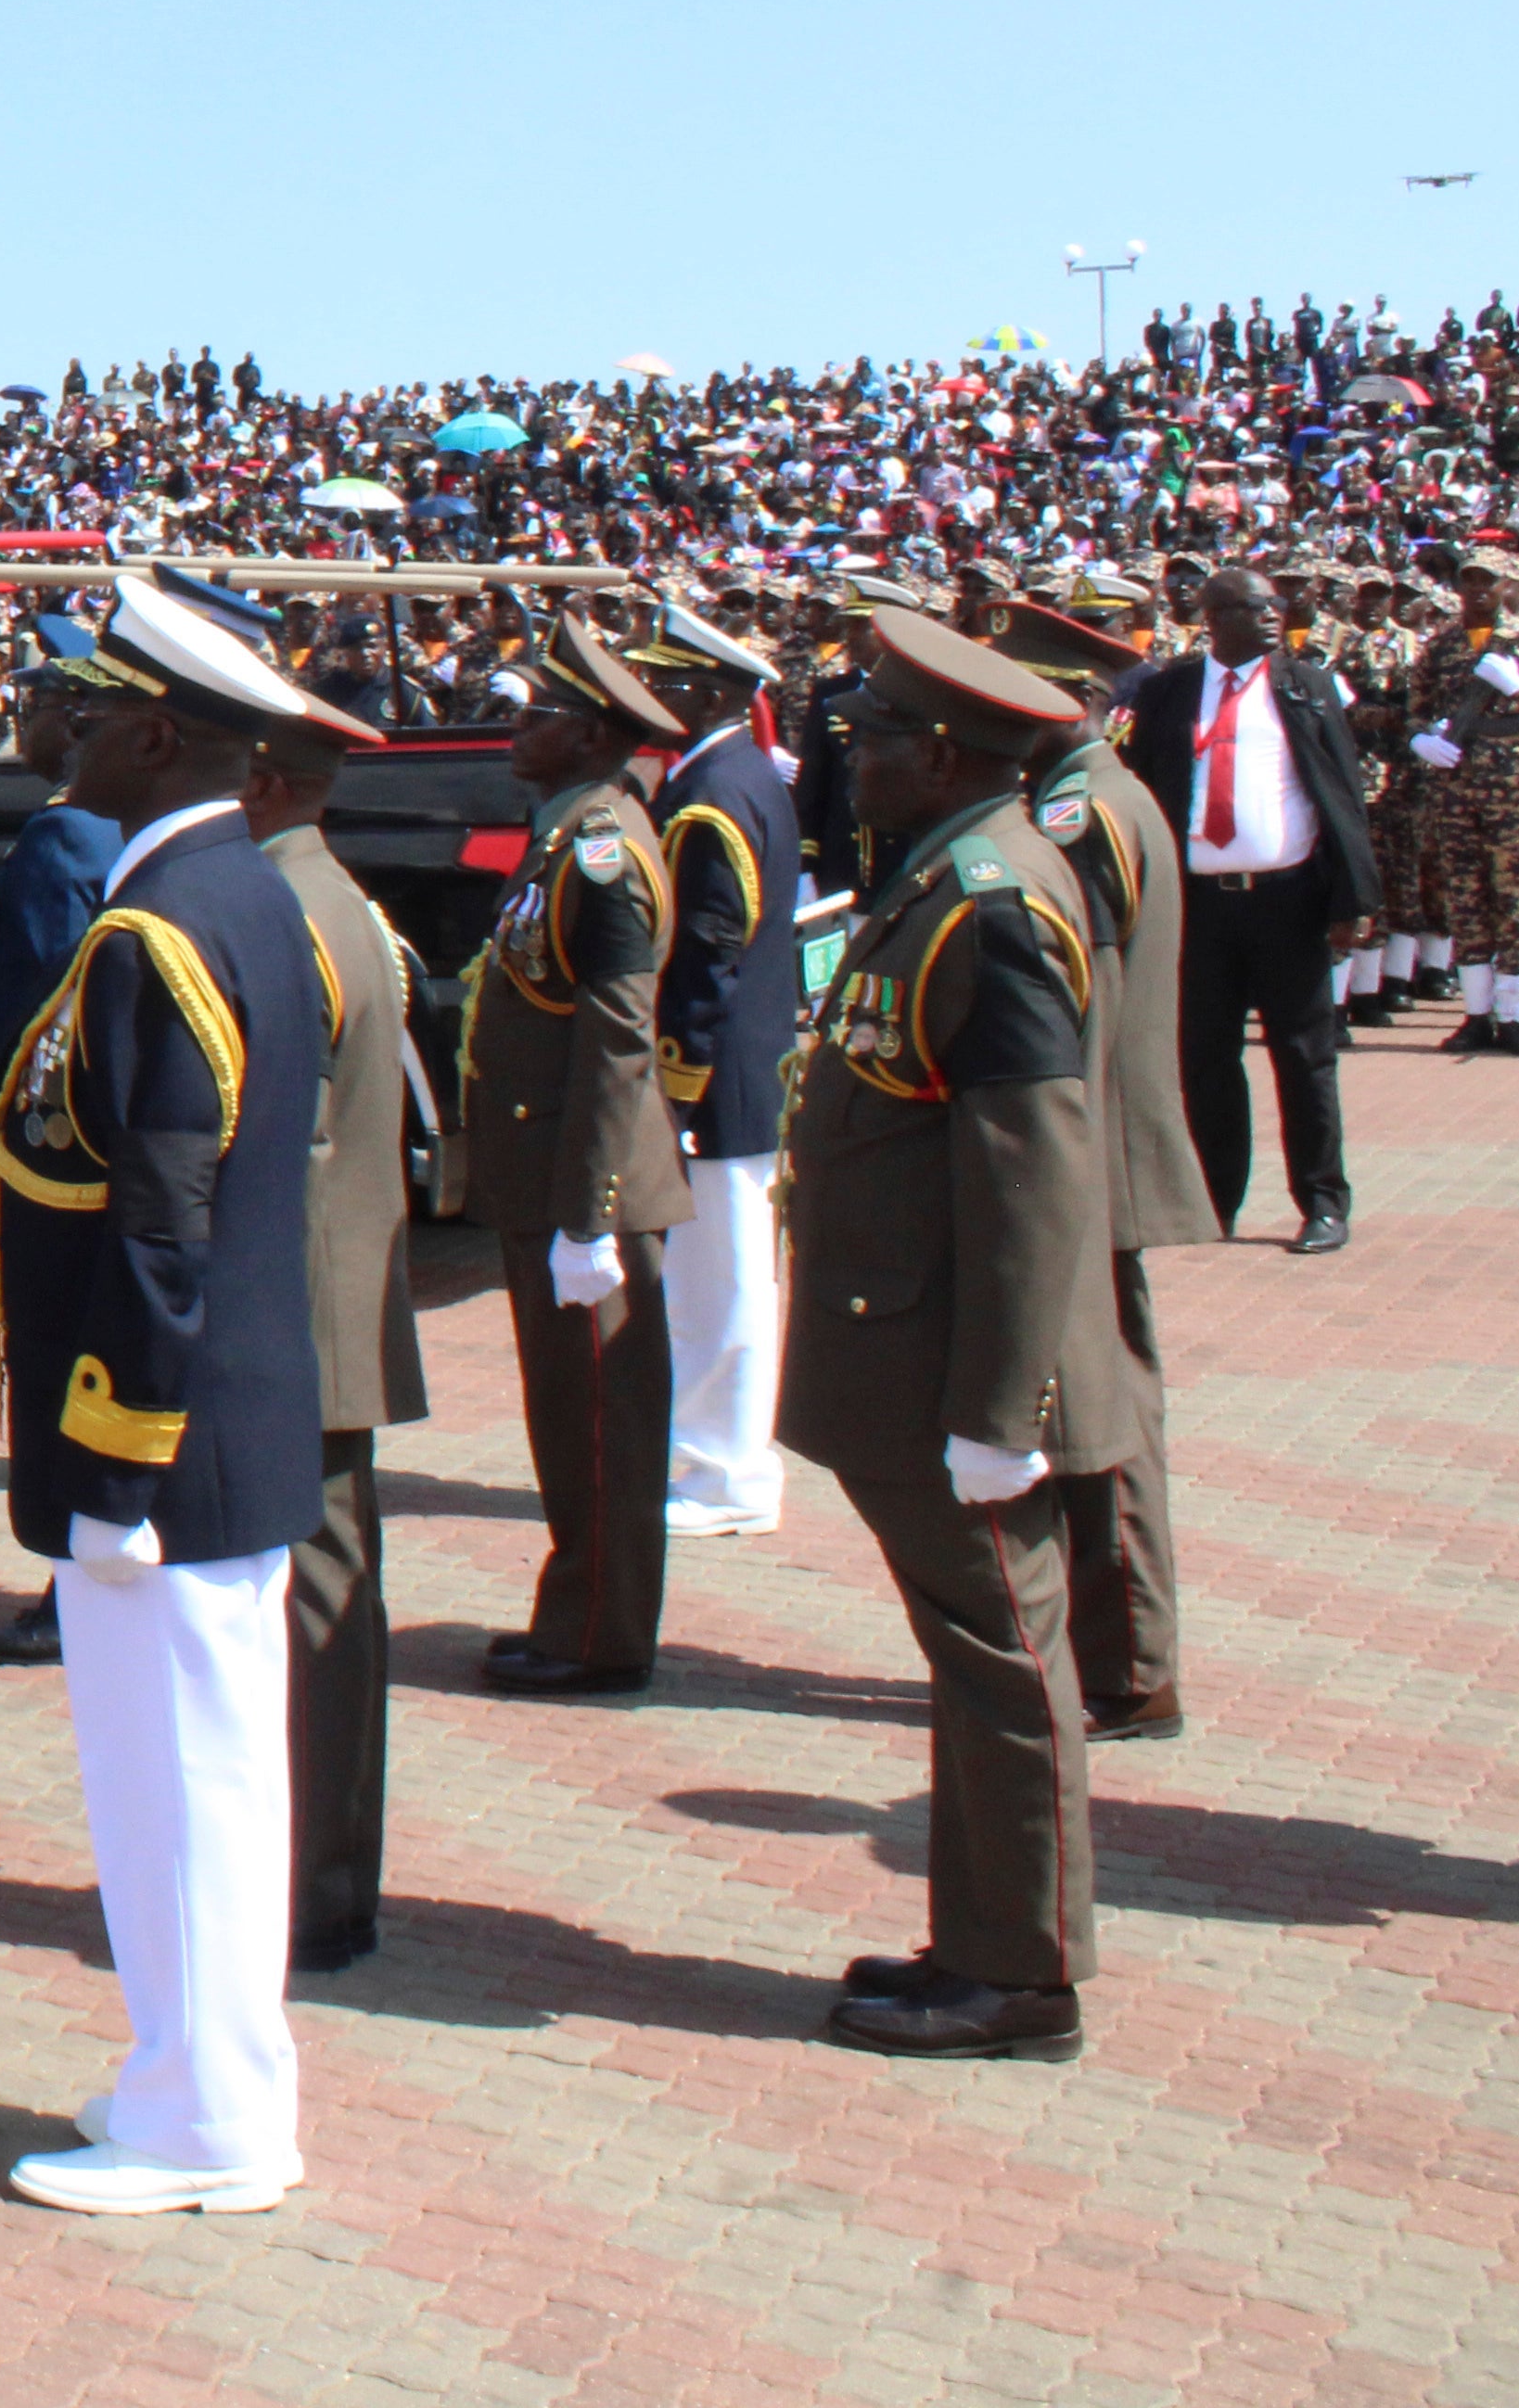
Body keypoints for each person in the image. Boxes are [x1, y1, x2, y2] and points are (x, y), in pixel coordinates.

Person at [0, 577, 338, 2215]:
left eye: (92, 708)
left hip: (165, 1446)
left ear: (159, 733)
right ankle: (199, 2080)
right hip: (222, 1424)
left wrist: (116, 1458)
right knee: (206, 1778)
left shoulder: (161, 923)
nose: (59, 728)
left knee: (178, 1791)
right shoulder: (241, 890)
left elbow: (163, 1219)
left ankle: (207, 2126)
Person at [783, 608, 1134, 2061]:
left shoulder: (987, 897)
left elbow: (1032, 1165)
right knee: (974, 1654)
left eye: (870, 737)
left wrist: (1002, 1412)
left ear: (940, 755)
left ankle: (1025, 1975)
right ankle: (980, 1939)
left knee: (1003, 1660)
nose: (847, 757)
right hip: (915, 1343)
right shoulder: (945, 873)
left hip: (957, 1365)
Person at [998, 597, 1230, 1752]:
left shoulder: (1081, 807)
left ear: (1069, 700)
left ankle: (1134, 1666)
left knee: (1108, 1412)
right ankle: (1125, 1660)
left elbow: (1066, 998)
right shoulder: (1079, 794)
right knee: (1099, 1401)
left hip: (1090, 1147)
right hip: (1095, 1143)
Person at [457, 615, 688, 1699]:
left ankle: (600, 1634)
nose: (518, 728)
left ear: (595, 735)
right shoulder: (567, 833)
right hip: (548, 1173)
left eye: (538, 716)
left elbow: (615, 1037)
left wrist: (590, 1210)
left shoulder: (603, 849)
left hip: (581, 1180)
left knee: (601, 1422)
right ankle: (580, 1608)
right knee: (571, 1415)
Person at [241, 698, 422, 1974]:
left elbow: (273, 1145)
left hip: (296, 1302)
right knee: (326, 1605)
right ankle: (326, 1877)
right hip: (327, 1292)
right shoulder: (324, 893)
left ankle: (316, 1886)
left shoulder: (285, 912)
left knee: (312, 1615)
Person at [0, 625, 124, 1671]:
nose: (15, 721)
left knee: (57, 1358)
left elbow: (51, 1016)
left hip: (53, 1159)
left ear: (75, 719)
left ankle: (73, 1583)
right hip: (62, 1156)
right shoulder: (90, 830)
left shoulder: (67, 840)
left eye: (29, 703)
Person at [1125, 565, 1372, 1247]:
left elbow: (1343, 795)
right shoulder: (1171, 690)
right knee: (1206, 1057)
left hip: (1288, 900)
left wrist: (1356, 897)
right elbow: (1144, 791)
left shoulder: (1305, 685)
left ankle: (1323, 1201)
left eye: (1277, 606)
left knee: (1303, 1056)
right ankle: (1215, 1201)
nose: (1273, 617)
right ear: (1212, 616)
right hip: (1200, 904)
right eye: (1254, 607)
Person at [635, 598, 802, 1540]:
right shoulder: (737, 772)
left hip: (719, 1073)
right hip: (740, 1064)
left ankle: (723, 1477)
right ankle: (718, 1463)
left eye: (667, 679)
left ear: (705, 689)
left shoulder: (711, 792)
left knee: (719, 1287)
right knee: (723, 1283)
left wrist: (678, 1074)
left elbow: (705, 948)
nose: (653, 693)